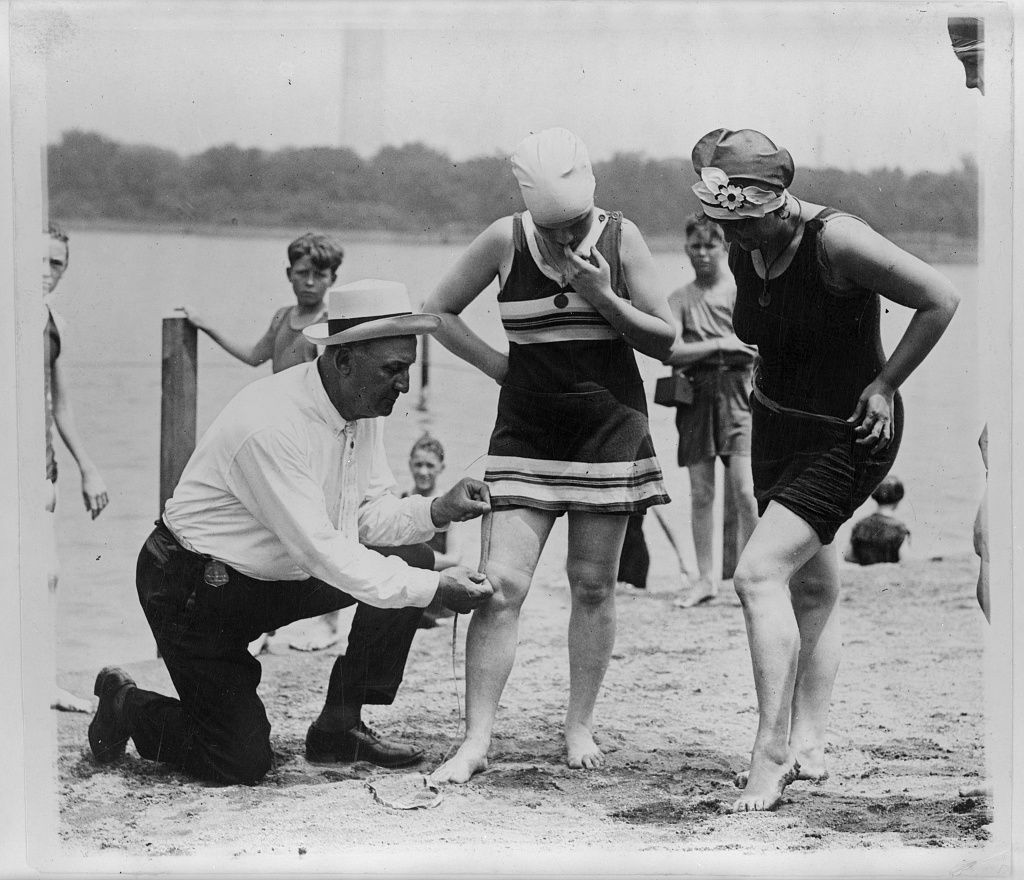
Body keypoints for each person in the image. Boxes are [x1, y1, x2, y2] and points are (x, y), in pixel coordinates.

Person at [86, 280, 494, 785]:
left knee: (412, 557)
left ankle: (339, 727)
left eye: (408, 368)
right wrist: (437, 590)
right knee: (237, 762)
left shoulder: (361, 404)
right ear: (343, 360)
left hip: (279, 577)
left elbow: (364, 516)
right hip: (195, 591)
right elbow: (326, 552)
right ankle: (126, 704)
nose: (405, 385)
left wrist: (436, 510)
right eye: (394, 370)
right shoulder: (271, 424)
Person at [688, 129, 959, 812]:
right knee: (811, 589)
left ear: (780, 204)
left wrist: (887, 383)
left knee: (755, 574)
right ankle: (808, 742)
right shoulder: (748, 242)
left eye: (744, 224)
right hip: (776, 427)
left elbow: (939, 298)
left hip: (851, 434)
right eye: (726, 225)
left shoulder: (837, 241)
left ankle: (770, 751)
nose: (735, 238)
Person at [423, 127, 676, 783]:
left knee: (592, 586)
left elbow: (666, 341)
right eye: (553, 227)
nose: (564, 239)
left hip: (607, 431)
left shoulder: (623, 238)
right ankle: (477, 739)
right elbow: (437, 312)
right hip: (527, 433)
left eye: (574, 225)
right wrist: (501, 367)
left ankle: (578, 724)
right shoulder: (506, 238)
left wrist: (602, 296)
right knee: (499, 588)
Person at [178, 231, 346, 653]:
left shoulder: (330, 324)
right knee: (270, 527)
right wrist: (207, 325)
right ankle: (264, 627)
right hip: (279, 432)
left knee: (323, 524)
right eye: (302, 273)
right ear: (289, 274)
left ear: (333, 279)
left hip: (315, 435)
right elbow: (255, 356)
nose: (309, 282)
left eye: (319, 275)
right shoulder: (281, 317)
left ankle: (329, 622)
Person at [663, 213, 759, 607]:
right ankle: (704, 579)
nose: (703, 253)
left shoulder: (740, 293)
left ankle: (753, 575)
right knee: (701, 492)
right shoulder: (680, 298)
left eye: (711, 245)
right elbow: (670, 351)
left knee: (747, 492)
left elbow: (759, 346)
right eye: (696, 246)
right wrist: (721, 346)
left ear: (725, 247)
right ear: (687, 248)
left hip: (740, 395)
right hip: (696, 396)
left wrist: (737, 351)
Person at [43, 222, 110, 713]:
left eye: (56, 264)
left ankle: (40, 681)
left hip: (38, 471)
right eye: (37, 260)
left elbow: (59, 406)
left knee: (45, 574)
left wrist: (88, 468)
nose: (46, 272)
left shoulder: (53, 323)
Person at [402, 432, 463, 627]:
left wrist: (415, 558)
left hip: (435, 591)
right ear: (410, 464)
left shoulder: (450, 504)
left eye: (430, 465)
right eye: (418, 464)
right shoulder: (400, 500)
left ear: (441, 468)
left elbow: (454, 558)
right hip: (408, 586)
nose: (423, 471)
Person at [844, 475, 911, 565]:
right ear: (898, 500)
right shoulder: (900, 530)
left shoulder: (861, 525)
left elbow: (848, 556)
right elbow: (905, 560)